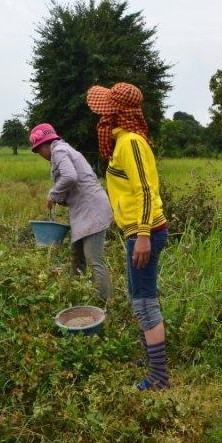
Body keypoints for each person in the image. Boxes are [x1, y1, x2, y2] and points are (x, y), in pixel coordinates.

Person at [87, 82, 169, 391]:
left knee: (145, 302)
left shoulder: (131, 142)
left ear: (119, 113)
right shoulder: (124, 142)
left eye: (107, 111)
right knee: (139, 299)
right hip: (137, 230)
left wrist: (145, 235)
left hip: (144, 231)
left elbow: (145, 189)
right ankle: (151, 360)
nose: (102, 118)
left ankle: (159, 378)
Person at [29, 123, 114, 302]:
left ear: (44, 145)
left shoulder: (59, 151)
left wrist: (52, 194)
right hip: (84, 211)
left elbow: (70, 176)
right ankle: (77, 296)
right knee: (77, 257)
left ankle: (105, 305)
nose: (40, 155)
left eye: (38, 150)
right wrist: (61, 198)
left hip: (93, 210)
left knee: (94, 259)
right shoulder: (62, 151)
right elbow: (73, 182)